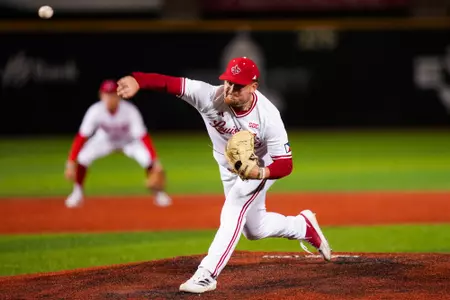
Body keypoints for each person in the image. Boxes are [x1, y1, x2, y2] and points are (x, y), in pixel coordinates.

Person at [116, 57, 331, 294]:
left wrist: (259, 172)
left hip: (258, 166)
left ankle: (207, 274)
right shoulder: (209, 96)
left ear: (253, 87)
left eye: (238, 85)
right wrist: (138, 80)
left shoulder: (268, 116)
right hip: (226, 167)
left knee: (233, 209)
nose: (230, 89)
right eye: (228, 82)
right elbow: (170, 84)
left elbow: (286, 164)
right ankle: (302, 226)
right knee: (254, 229)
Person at [64, 79, 172, 208]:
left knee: (147, 159)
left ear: (119, 95)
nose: (110, 97)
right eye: (107, 94)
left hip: (128, 141)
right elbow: (82, 137)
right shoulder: (95, 111)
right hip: (105, 139)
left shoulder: (130, 111)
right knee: (83, 157)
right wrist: (71, 161)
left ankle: (158, 194)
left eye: (113, 94)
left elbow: (143, 136)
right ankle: (77, 193)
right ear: (101, 95)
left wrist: (155, 160)